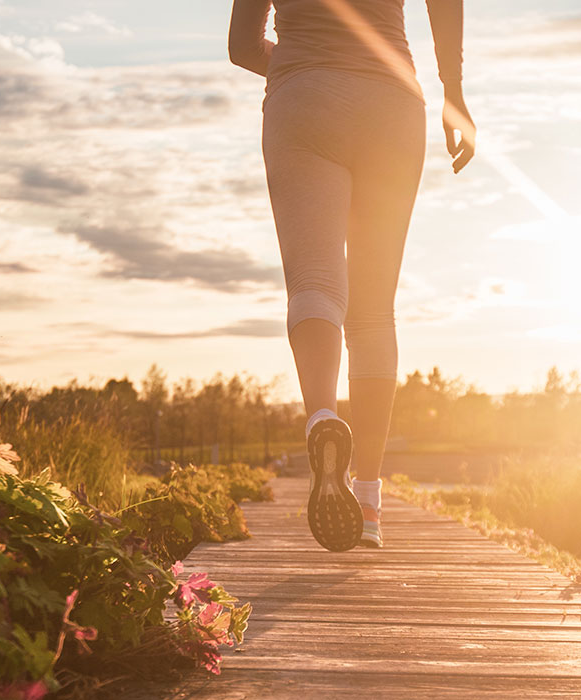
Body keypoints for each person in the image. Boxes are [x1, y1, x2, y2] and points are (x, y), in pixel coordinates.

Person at [228, 0, 475, 550]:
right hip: (392, 101)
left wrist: (300, 64)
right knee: (374, 311)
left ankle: (321, 418)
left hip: (303, 98)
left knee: (314, 285)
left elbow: (242, 44)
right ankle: (367, 503)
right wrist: (453, 91)